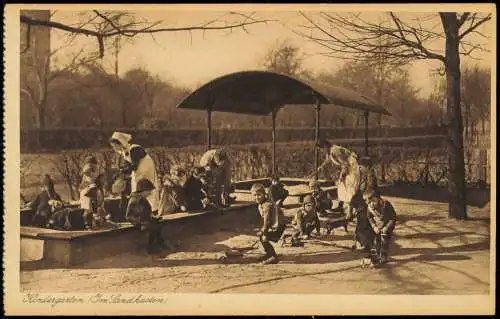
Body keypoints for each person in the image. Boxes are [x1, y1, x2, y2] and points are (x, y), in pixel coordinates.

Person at [109, 131, 160, 217]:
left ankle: (153, 210)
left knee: (147, 187)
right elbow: (129, 166)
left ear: (120, 143)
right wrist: (122, 171)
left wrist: (124, 171)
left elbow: (134, 165)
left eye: (115, 145)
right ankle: (142, 212)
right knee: (137, 187)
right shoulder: (124, 152)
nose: (114, 148)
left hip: (146, 168)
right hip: (138, 170)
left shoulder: (134, 149)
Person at [126, 179, 168, 254]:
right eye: (149, 191)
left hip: (144, 219)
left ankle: (160, 243)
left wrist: (153, 216)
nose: (150, 193)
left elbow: (146, 212)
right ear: (143, 190)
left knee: (158, 223)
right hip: (136, 221)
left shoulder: (142, 198)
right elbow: (130, 215)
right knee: (150, 226)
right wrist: (141, 222)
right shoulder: (136, 200)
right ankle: (150, 248)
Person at [251, 183, 286, 265]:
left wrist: (265, 232)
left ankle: (273, 256)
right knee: (261, 235)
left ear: (264, 194)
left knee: (263, 237)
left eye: (259, 195)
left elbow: (267, 221)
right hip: (277, 224)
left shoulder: (267, 205)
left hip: (278, 226)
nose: (257, 197)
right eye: (254, 195)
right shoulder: (264, 203)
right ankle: (269, 254)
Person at [364, 191, 397, 265]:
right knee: (376, 241)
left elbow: (393, 218)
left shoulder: (386, 205)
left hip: (387, 224)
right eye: (369, 202)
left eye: (373, 201)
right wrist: (374, 226)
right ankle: (377, 256)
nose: (371, 204)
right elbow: (370, 218)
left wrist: (387, 227)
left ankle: (384, 257)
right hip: (377, 226)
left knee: (385, 241)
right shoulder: (369, 208)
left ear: (378, 199)